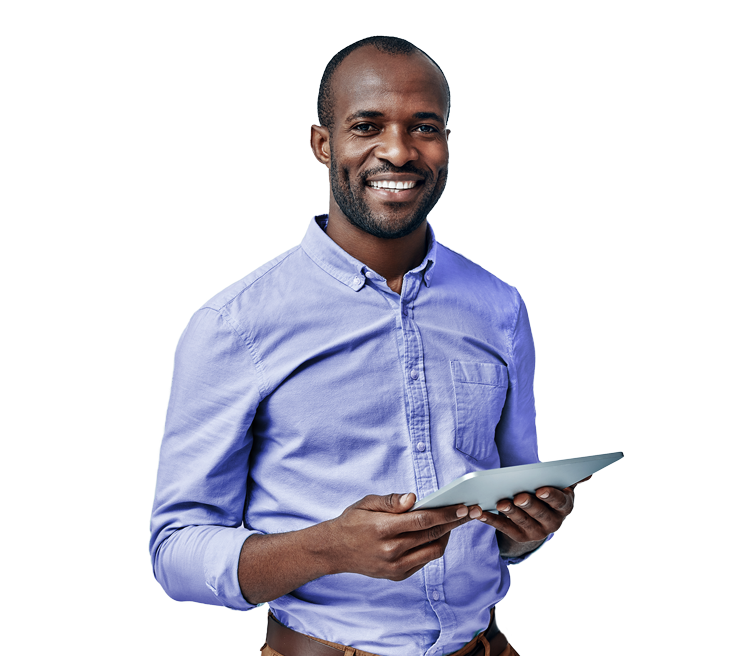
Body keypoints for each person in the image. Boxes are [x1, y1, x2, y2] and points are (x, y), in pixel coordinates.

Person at [150, 36, 583, 656]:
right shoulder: (235, 325)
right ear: (323, 144)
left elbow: (509, 513)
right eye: (367, 125)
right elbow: (175, 552)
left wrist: (526, 530)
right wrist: (328, 547)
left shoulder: (500, 308)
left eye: (424, 127)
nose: (399, 151)